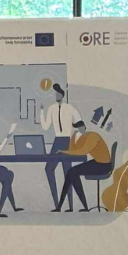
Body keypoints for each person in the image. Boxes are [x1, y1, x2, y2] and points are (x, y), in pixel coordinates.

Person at [41, 83, 87, 211]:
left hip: (67, 141)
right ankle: (57, 204)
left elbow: (80, 125)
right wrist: (41, 112)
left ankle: (71, 206)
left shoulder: (70, 108)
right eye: (55, 93)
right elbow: (45, 127)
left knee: (68, 172)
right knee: (48, 169)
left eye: (58, 93)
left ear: (62, 95)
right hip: (57, 141)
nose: (57, 95)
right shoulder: (51, 108)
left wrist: (77, 139)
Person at [56, 127, 111, 212]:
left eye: (80, 128)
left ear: (84, 128)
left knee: (72, 172)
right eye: (77, 129)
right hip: (98, 162)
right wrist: (73, 137)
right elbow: (73, 150)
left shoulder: (93, 136)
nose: (79, 131)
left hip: (104, 166)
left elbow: (82, 151)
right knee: (71, 172)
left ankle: (83, 207)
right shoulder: (82, 137)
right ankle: (60, 207)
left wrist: (63, 151)